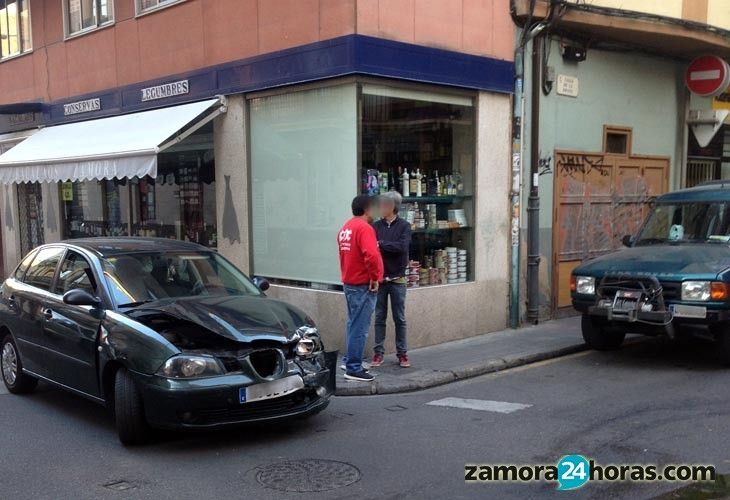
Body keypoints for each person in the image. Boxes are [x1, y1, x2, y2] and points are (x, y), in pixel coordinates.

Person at [338, 195, 384, 382]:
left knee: (353, 323)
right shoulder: (365, 228)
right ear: (367, 209)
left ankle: (350, 360)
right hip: (362, 284)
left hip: (350, 283)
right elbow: (371, 256)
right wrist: (375, 277)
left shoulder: (346, 227)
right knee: (360, 327)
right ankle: (353, 367)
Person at [372, 191, 412, 368]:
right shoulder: (375, 226)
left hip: (397, 278)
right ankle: (378, 353)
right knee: (379, 317)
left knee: (400, 318)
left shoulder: (404, 226)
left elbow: (402, 247)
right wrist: (383, 246)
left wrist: (381, 244)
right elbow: (372, 250)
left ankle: (402, 354)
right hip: (380, 279)